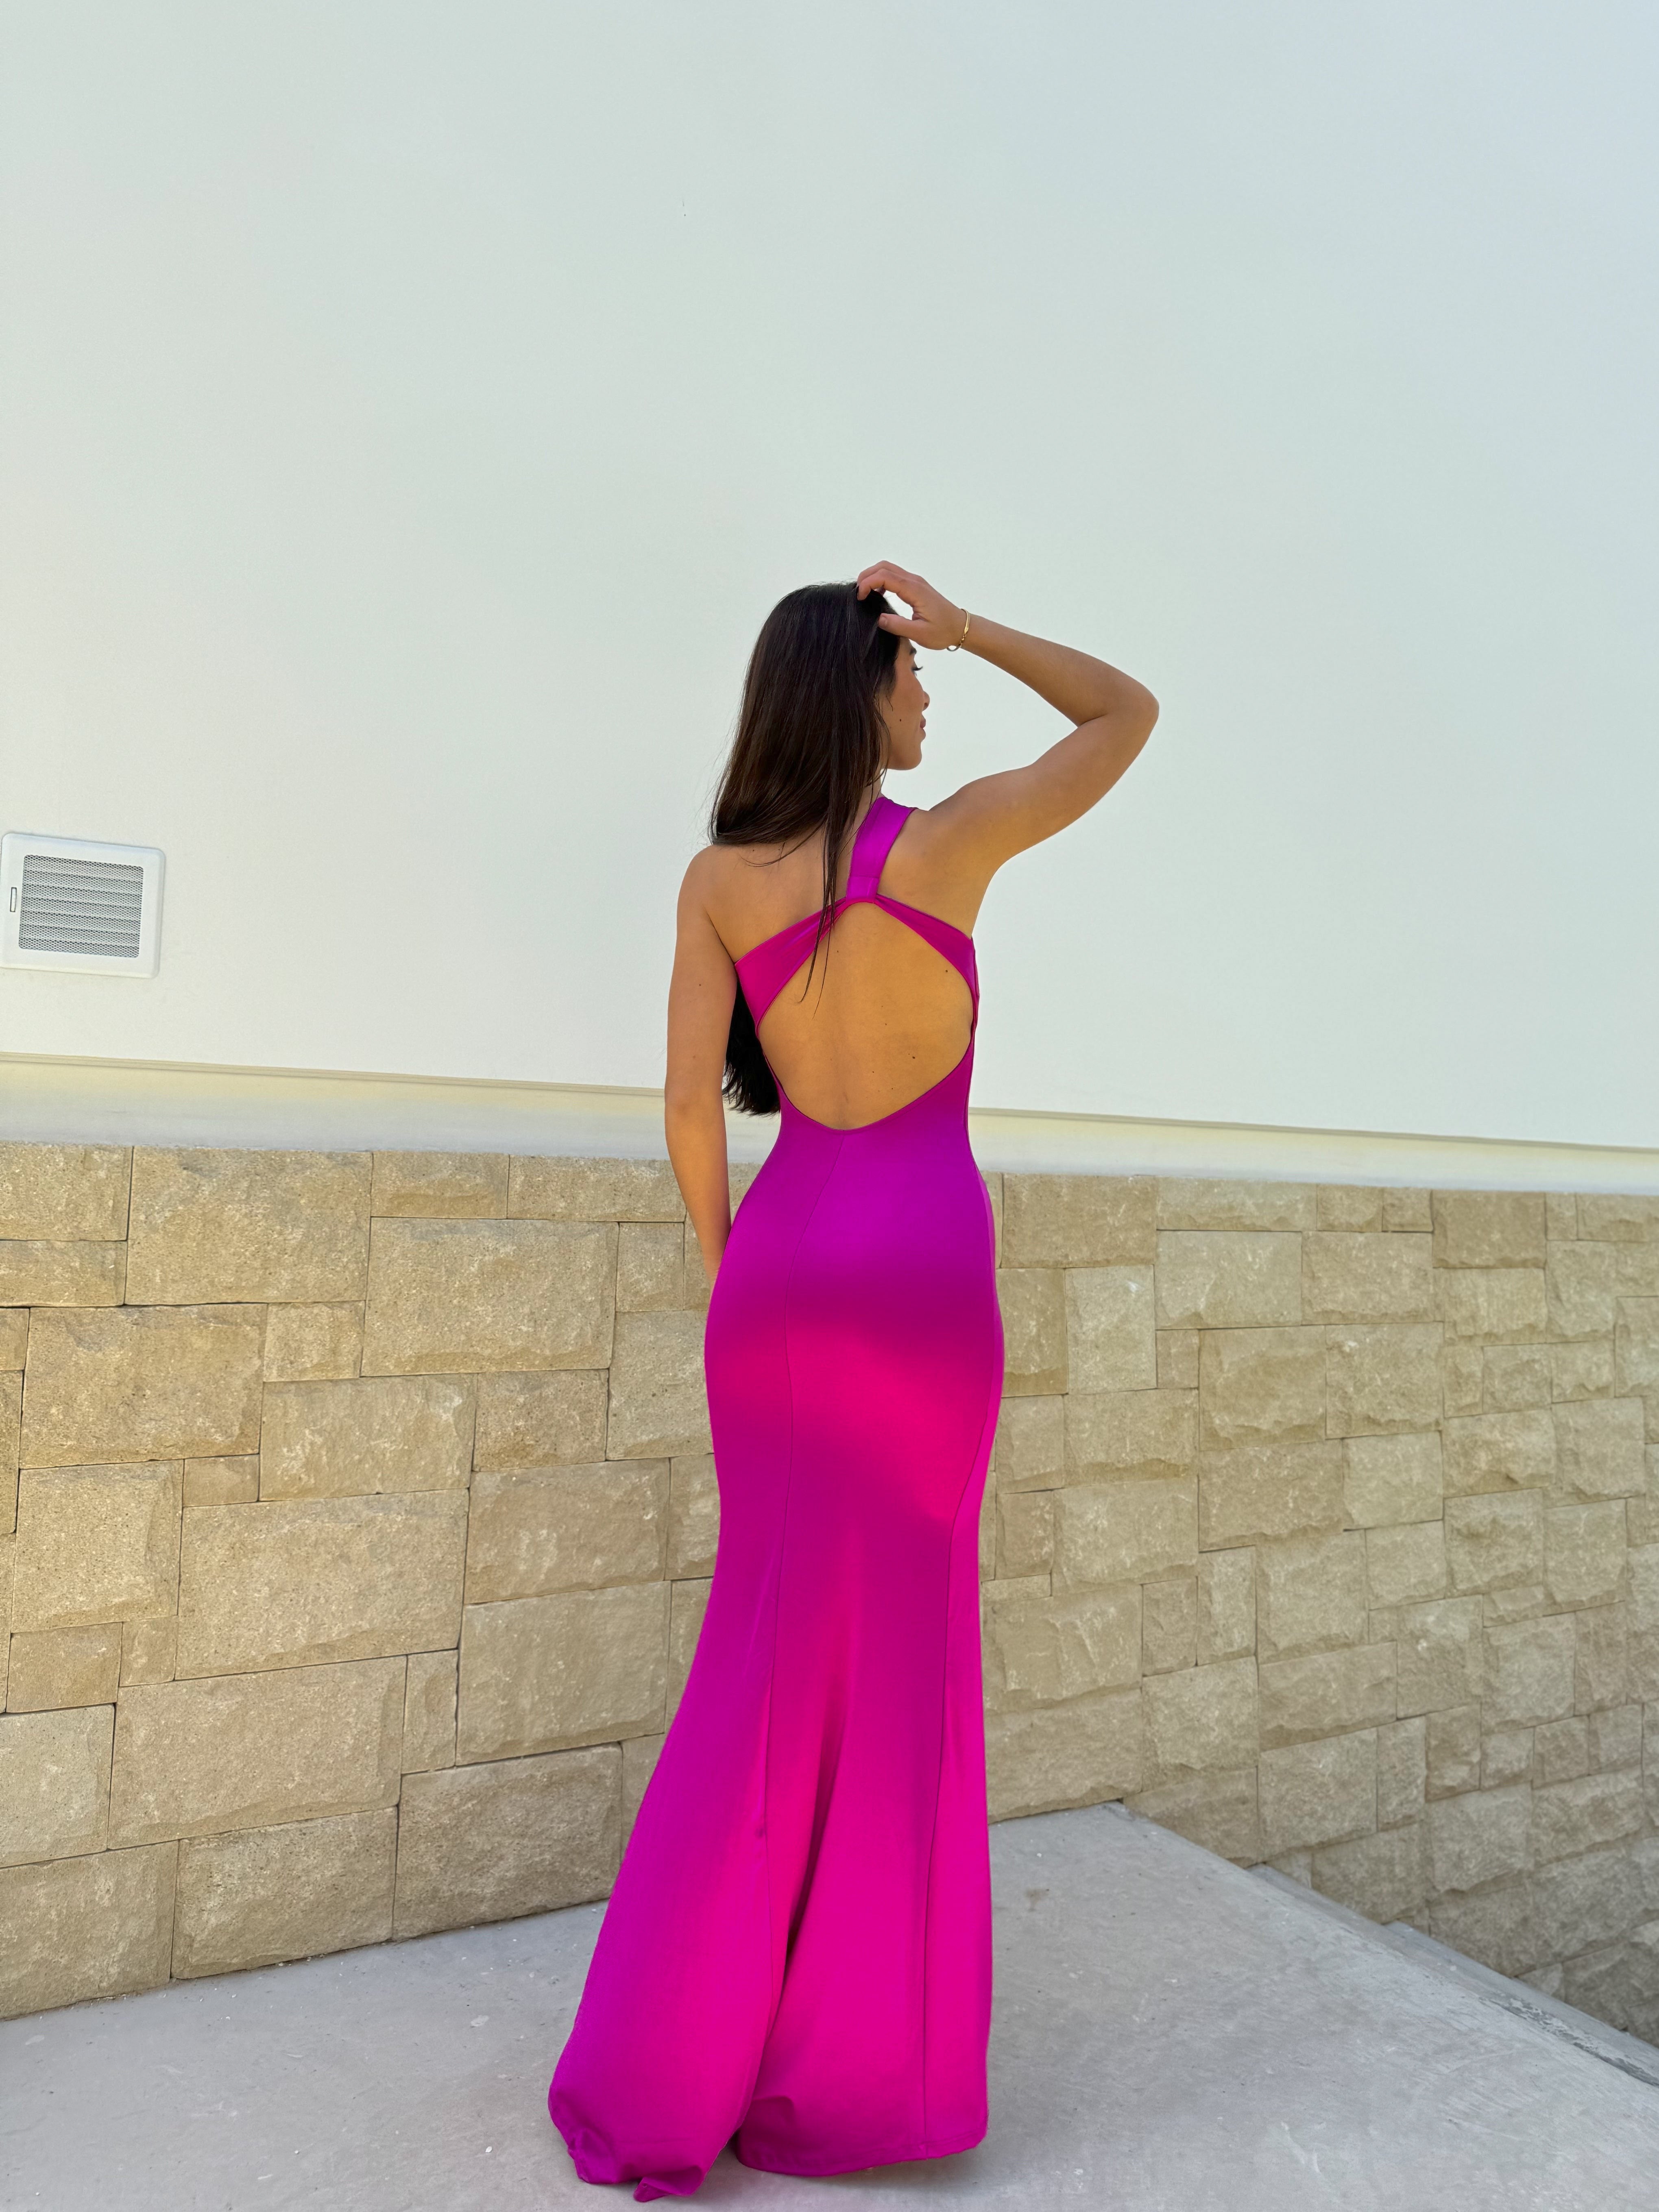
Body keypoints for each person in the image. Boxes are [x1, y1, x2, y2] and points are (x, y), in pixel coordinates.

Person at [547, 561, 1158, 2201]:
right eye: (912, 673)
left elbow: (691, 1103)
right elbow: (1127, 712)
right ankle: (855, 2080)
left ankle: (672, 2065)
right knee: (898, 1666)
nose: (930, 694)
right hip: (926, 1280)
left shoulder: (719, 880)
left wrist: (723, 1269)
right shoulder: (953, 846)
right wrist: (978, 624)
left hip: (783, 1279)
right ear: (863, 687)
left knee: (758, 1658)